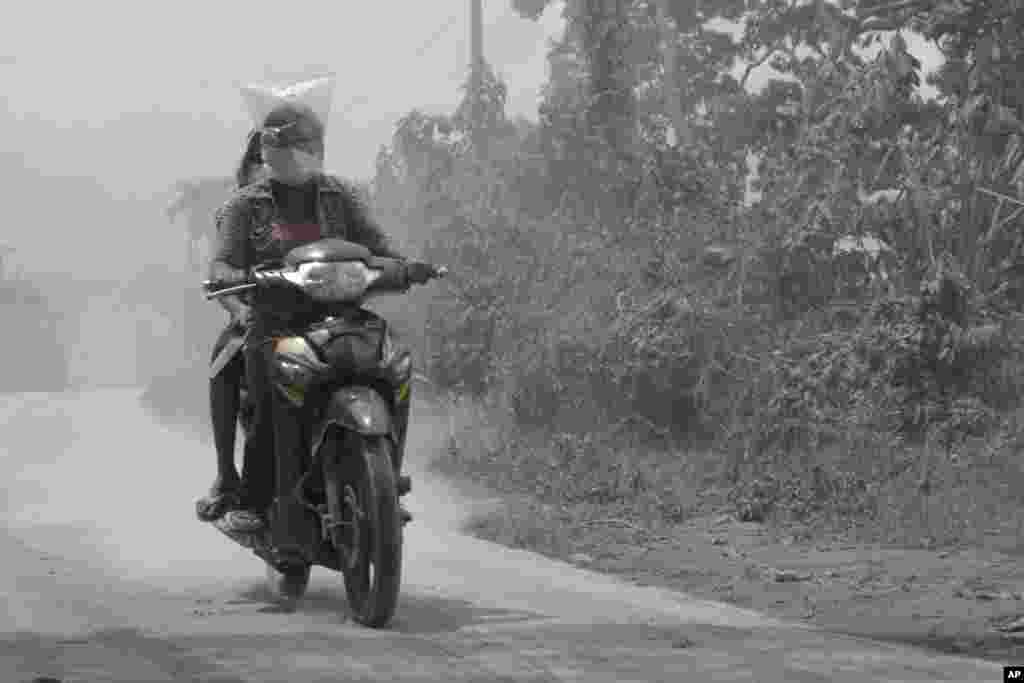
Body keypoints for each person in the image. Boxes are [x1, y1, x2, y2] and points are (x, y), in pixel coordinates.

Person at [201, 101, 408, 535]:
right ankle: (254, 500)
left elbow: (381, 247)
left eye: (307, 144)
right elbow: (220, 266)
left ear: (320, 147)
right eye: (288, 146)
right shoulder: (244, 205)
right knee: (264, 389)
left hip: (345, 314)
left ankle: (388, 474)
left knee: (395, 366)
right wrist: (240, 279)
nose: (299, 154)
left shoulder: (343, 195)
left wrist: (402, 267)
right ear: (269, 152)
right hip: (275, 321)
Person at [195, 130, 265, 524]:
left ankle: (382, 477)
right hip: (258, 318)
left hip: (320, 314)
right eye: (263, 157)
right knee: (223, 361)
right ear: (250, 165)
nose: (272, 166)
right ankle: (227, 474)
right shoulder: (236, 212)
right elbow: (220, 273)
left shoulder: (320, 207)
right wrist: (238, 308)